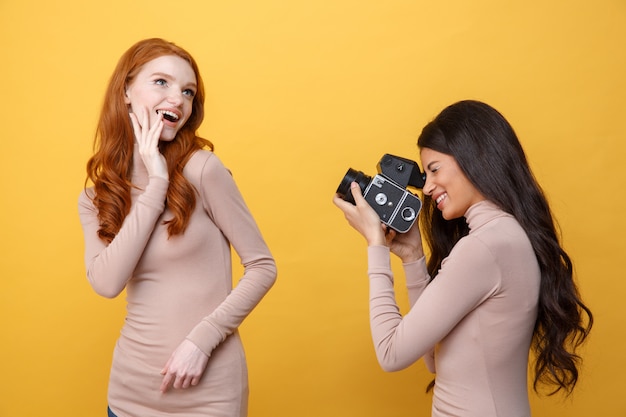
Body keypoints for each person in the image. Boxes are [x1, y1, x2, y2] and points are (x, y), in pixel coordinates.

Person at [333, 100, 592, 416]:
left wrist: (375, 245)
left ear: (476, 158)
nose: (427, 187)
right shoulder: (503, 237)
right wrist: (413, 257)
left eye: (434, 169)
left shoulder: (484, 248)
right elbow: (431, 358)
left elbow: (391, 353)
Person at [78, 38, 277, 417]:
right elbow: (106, 284)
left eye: (188, 92)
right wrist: (156, 183)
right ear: (126, 92)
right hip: (127, 396)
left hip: (208, 395)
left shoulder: (203, 170)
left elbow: (263, 266)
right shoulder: (95, 198)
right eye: (161, 83)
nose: (178, 99)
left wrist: (201, 341)